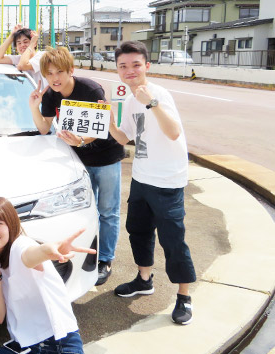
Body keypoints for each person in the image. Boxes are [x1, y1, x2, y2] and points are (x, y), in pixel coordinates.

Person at [108, 41, 196, 325]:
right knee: (139, 231)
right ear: (118, 70)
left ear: (147, 66)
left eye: (136, 65)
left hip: (167, 182)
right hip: (141, 178)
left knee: (173, 240)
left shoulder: (159, 94)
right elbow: (124, 138)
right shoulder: (132, 100)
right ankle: (144, 279)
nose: (130, 70)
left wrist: (152, 103)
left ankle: (184, 296)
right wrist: (109, 120)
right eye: (123, 66)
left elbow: (173, 132)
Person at [28, 46, 125, 286]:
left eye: (59, 72)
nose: (54, 78)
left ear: (71, 70)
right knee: (82, 210)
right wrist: (34, 106)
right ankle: (83, 255)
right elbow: (43, 128)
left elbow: (101, 129)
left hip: (106, 157)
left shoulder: (91, 89)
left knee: (107, 211)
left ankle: (105, 260)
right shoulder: (51, 95)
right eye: (49, 73)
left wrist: (81, 140)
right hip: (78, 159)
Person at [0, 197, 96, 354]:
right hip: (24, 348)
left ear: (11, 225)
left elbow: (30, 255)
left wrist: (50, 250)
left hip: (58, 346)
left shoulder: (21, 245)